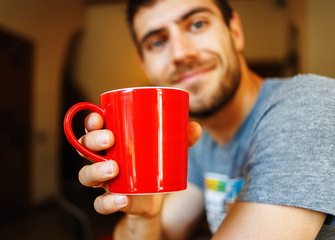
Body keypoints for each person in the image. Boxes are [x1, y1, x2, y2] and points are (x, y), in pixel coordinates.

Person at [77, 0, 335, 239]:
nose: (180, 53)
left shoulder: (308, 103)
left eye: (197, 24)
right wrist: (144, 214)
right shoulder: (197, 142)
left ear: (235, 32)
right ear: (145, 66)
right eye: (157, 42)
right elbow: (162, 233)